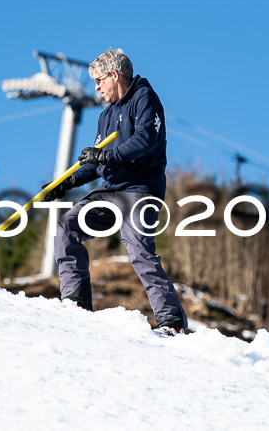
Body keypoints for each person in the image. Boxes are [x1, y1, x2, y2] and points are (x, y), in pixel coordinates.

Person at [42, 48, 187, 336]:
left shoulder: (144, 98)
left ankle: (171, 321)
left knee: (139, 251)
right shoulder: (106, 116)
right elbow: (96, 164)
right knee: (67, 225)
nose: (96, 88)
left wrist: (108, 157)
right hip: (110, 191)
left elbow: (145, 139)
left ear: (114, 76)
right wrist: (65, 183)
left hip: (139, 191)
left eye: (99, 81)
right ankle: (76, 301)